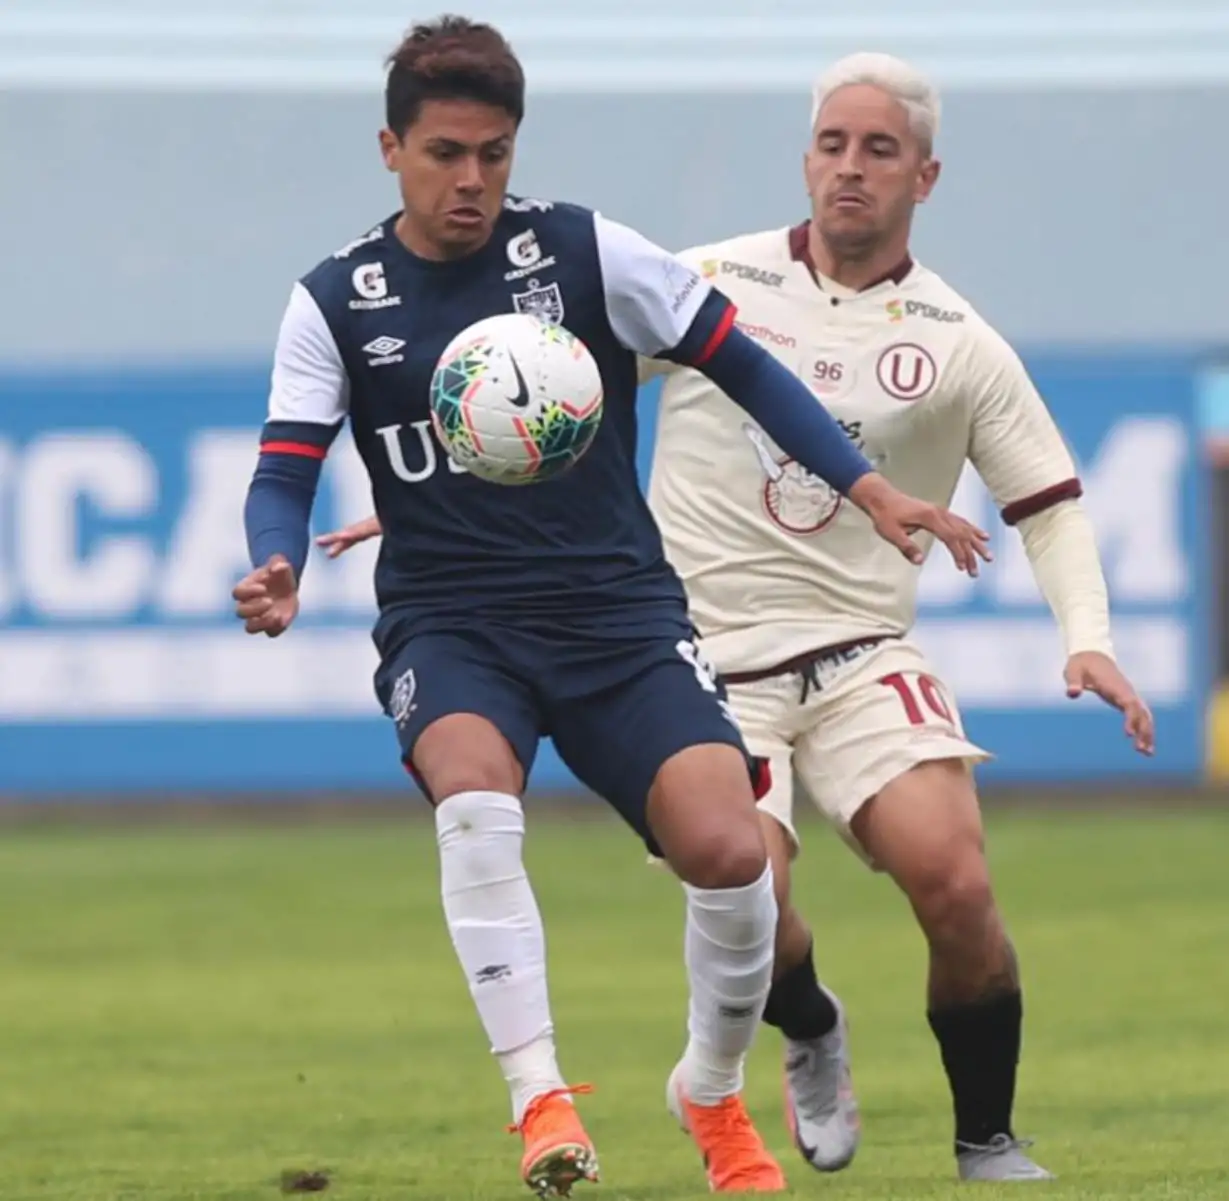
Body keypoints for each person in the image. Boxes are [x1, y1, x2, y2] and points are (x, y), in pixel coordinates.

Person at [315, 49, 1156, 1185]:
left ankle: (986, 1141)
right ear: (805, 157)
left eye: (880, 150)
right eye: (831, 143)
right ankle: (809, 1027)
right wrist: (440, 495)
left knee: (954, 880)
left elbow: (1048, 506)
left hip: (863, 652)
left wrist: (1087, 637)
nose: (849, 170)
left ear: (927, 176)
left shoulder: (963, 340)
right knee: (749, 884)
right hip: (704, 649)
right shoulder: (709, 277)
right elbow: (550, 391)